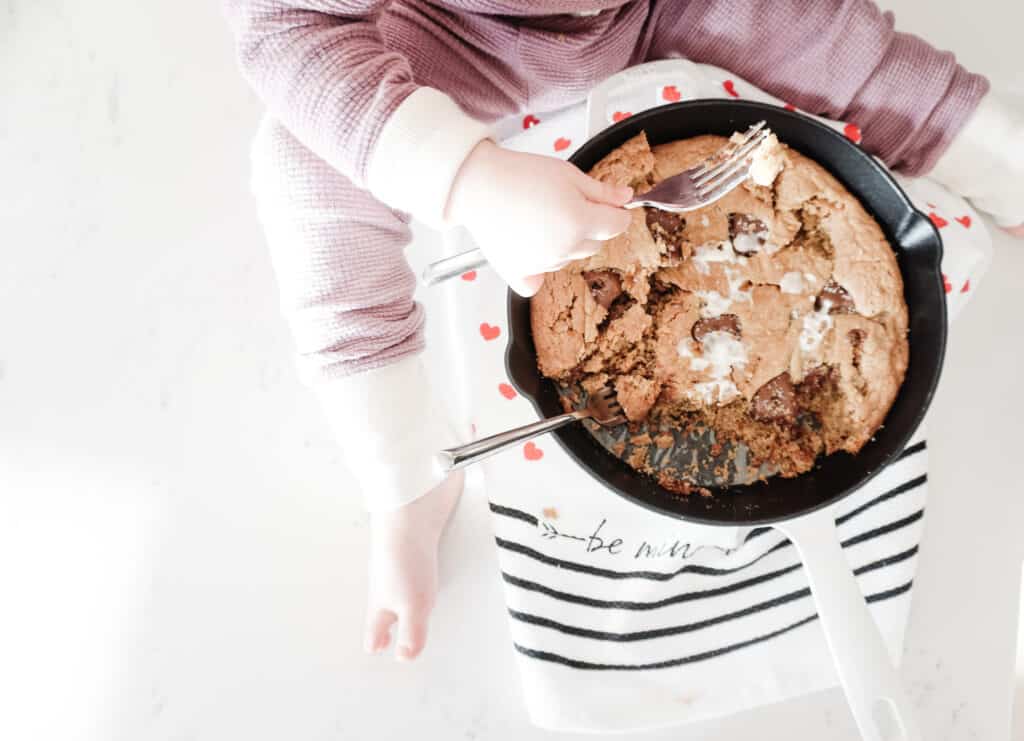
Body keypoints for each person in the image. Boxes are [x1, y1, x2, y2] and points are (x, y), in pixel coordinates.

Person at [224, 0, 1023, 662]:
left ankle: (999, 156)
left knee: (849, 50)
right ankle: (406, 471)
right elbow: (285, 28)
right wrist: (470, 177)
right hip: (452, 32)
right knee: (302, 168)